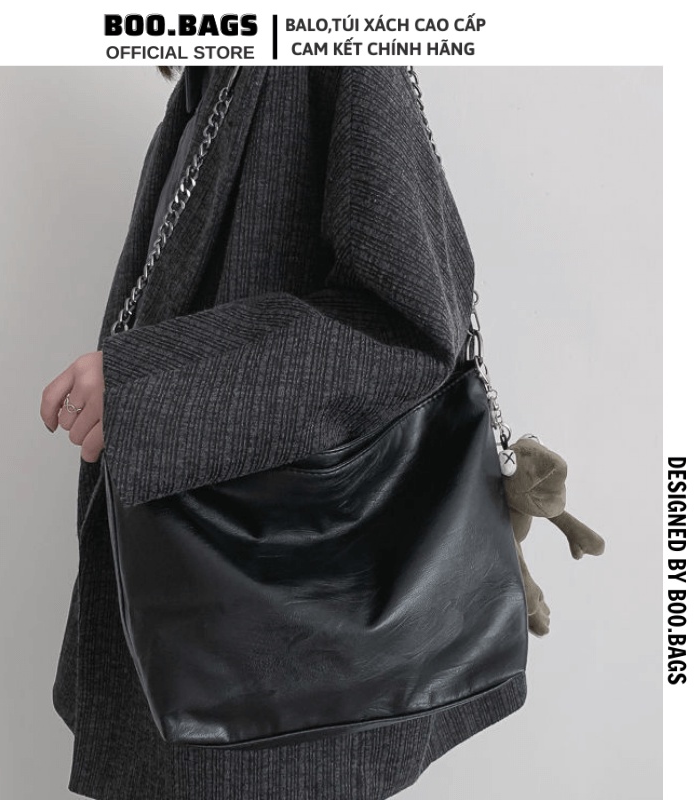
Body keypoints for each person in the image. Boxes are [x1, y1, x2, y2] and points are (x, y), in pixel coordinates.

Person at [40, 65, 526, 800]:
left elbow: (408, 324)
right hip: (219, 646)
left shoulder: (331, 55)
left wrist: (146, 390)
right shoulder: (211, 85)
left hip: (278, 677)